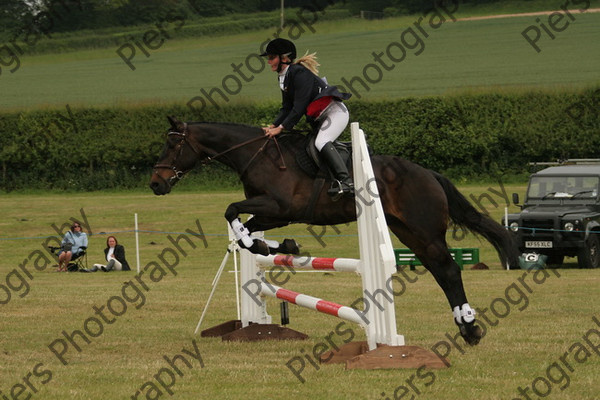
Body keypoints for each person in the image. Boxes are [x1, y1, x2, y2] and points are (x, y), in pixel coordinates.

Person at [260, 38, 354, 198]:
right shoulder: (284, 76)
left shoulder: (299, 73)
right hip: (321, 118)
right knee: (309, 145)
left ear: (284, 58)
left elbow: (299, 106)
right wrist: (273, 125)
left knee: (321, 142)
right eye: (268, 58)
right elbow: (287, 107)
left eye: (271, 58)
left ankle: (346, 182)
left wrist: (281, 128)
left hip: (334, 113)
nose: (268, 62)